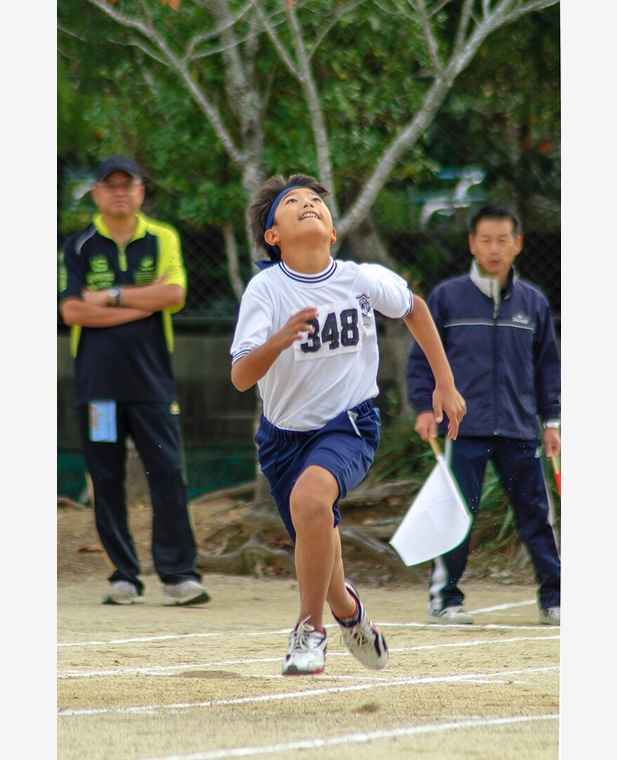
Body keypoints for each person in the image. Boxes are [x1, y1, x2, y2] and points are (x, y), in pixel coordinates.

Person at [230, 173, 466, 675]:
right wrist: (279, 339)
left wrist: (444, 383)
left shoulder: (359, 279)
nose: (308, 205)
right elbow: (240, 375)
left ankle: (308, 632)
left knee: (311, 501)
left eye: (315, 200)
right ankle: (348, 611)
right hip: (281, 438)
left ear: (333, 230)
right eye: (292, 203)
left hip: (349, 422)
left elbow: (414, 308)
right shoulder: (266, 290)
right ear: (273, 236)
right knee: (317, 535)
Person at [58, 155, 210, 608]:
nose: (120, 191)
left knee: (167, 473)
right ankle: (123, 575)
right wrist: (144, 303)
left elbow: (175, 295)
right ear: (97, 193)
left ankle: (179, 576)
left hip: (152, 384)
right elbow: (71, 311)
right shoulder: (77, 245)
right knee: (105, 478)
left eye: (129, 184)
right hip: (98, 388)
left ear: (141, 191)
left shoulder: (163, 238)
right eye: (110, 185)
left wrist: (110, 297)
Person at [405, 204, 561, 626]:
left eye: (503, 240)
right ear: (472, 244)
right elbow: (422, 358)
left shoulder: (534, 303)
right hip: (461, 429)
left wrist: (552, 423)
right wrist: (424, 407)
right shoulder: (446, 298)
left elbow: (549, 365)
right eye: (486, 240)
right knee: (456, 513)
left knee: (535, 516)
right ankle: (445, 599)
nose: (494, 249)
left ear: (518, 244)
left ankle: (555, 599)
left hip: (518, 428)